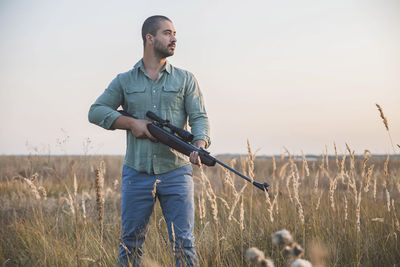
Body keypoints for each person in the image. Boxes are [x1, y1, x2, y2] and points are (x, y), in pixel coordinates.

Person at [88, 15, 210, 267]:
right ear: (149, 38)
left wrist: (199, 144)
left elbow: (199, 118)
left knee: (184, 244)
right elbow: (96, 111)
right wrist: (132, 123)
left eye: (175, 33)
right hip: (137, 172)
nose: (174, 38)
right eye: (167, 33)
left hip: (177, 172)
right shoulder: (125, 80)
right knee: (130, 243)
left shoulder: (186, 79)